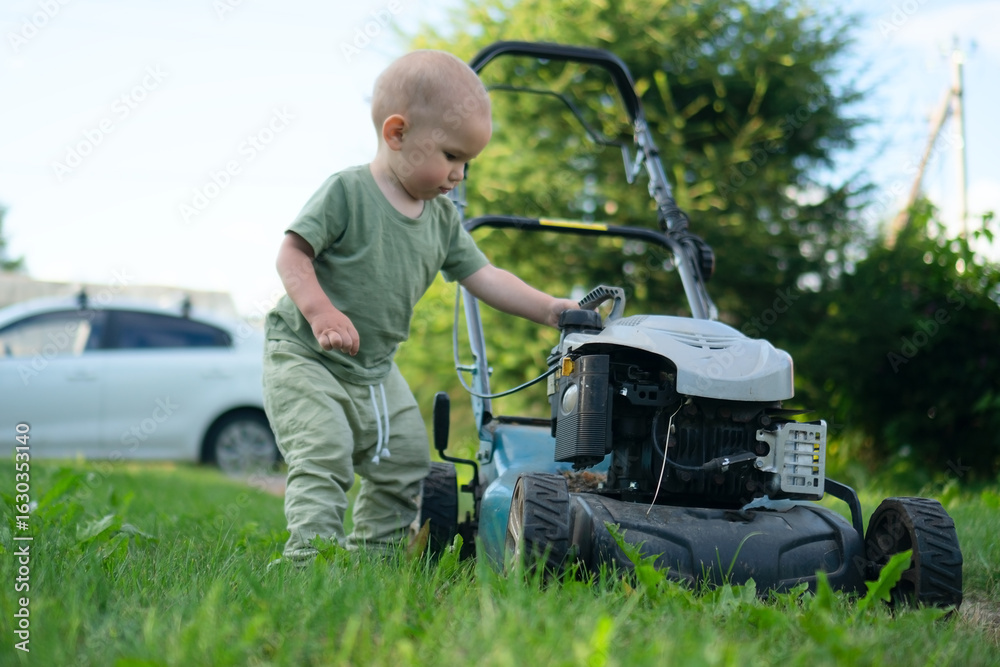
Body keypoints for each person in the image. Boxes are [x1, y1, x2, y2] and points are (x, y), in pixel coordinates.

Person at [262, 49, 579, 566]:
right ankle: (309, 563)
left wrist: (549, 309)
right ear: (397, 133)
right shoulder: (347, 192)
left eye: (467, 163)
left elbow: (486, 277)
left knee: (406, 461)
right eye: (451, 156)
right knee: (323, 452)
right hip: (306, 356)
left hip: (374, 368)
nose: (459, 174)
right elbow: (292, 254)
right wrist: (320, 312)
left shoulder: (442, 220)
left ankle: (374, 561)